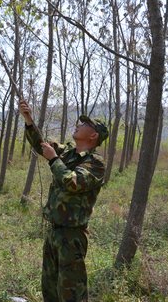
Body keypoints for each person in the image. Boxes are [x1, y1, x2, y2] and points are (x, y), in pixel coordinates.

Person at [18, 99, 108, 302]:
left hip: (72, 235)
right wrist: (29, 121)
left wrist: (53, 159)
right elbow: (40, 144)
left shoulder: (95, 163)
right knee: (50, 289)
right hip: (54, 232)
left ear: (93, 136)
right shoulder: (67, 152)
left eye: (86, 124)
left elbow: (73, 182)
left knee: (71, 293)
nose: (79, 124)